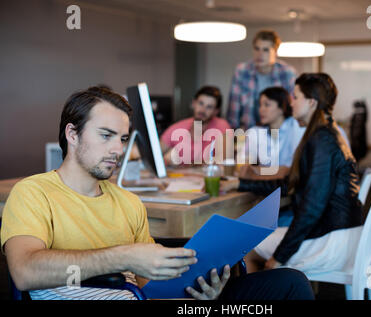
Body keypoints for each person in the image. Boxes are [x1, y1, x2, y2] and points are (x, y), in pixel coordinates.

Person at [1, 86, 314, 300]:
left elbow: (148, 281)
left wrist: (200, 287)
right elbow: (25, 271)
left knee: (289, 283)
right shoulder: (33, 193)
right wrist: (123, 256)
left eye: (123, 139)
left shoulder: (128, 202)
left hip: (152, 296)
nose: (117, 150)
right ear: (72, 133)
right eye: (106, 135)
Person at [223, 73, 363, 274]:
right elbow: (290, 184)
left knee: (246, 247)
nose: (291, 103)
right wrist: (239, 184)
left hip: (331, 240)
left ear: (312, 102)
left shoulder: (322, 141)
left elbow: (312, 207)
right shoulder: (323, 133)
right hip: (335, 231)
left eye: (296, 97)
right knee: (250, 238)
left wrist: (280, 256)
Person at [227, 30, 297, 130]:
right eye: (257, 49)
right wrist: (238, 143)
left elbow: (292, 109)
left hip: (279, 133)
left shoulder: (287, 73)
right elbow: (233, 114)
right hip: (247, 132)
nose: (260, 54)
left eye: (265, 50)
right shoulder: (242, 71)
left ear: (276, 52)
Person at [160, 86, 231, 166]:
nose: (203, 110)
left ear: (216, 111)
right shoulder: (177, 127)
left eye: (209, 107)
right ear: (194, 103)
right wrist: (165, 161)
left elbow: (224, 160)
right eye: (201, 103)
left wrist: (189, 165)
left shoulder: (222, 126)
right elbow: (156, 152)